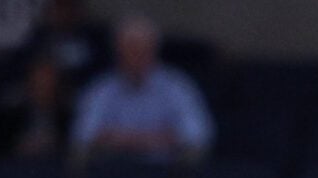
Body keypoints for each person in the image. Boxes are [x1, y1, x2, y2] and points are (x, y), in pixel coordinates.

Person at [73, 15, 213, 161]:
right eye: (129, 51)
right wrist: (157, 139)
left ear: (153, 51)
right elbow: (82, 136)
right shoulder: (100, 89)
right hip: (110, 175)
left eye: (141, 51)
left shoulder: (177, 87)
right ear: (117, 53)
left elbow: (198, 135)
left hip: (164, 175)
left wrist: (120, 139)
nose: (135, 59)